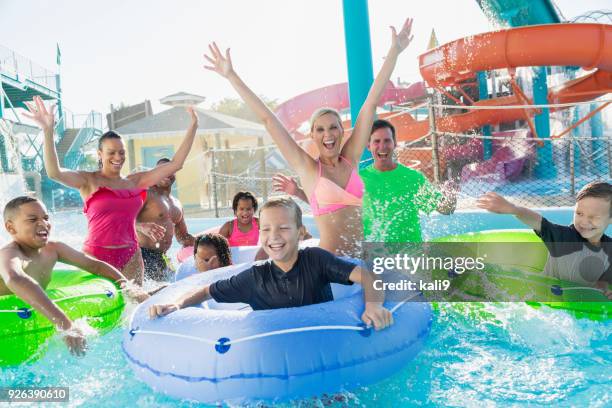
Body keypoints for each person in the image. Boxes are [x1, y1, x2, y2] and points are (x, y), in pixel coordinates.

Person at [203, 18, 414, 256]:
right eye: (320, 130)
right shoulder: (309, 169)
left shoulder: (350, 159)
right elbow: (269, 121)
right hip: (331, 267)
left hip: (363, 260)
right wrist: (231, 76)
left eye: (333, 127)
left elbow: (371, 102)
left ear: (341, 131)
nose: (328, 135)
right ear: (312, 135)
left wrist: (394, 52)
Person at [24, 96, 199, 284]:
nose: (118, 157)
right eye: (111, 152)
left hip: (131, 256)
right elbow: (54, 172)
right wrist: (48, 130)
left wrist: (194, 126)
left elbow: (176, 164)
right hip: (96, 256)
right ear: (100, 154)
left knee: (133, 307)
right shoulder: (88, 180)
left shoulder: (136, 182)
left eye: (122, 152)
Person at [149, 197, 393, 330]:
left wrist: (373, 306)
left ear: (300, 232)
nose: (274, 236)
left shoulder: (316, 260)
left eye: (283, 228)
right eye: (266, 229)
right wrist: (177, 304)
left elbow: (368, 277)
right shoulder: (255, 278)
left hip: (321, 344)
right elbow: (207, 291)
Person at [0, 196, 148, 356]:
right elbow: (15, 279)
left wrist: (128, 286)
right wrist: (64, 324)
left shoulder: (54, 249)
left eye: (46, 218)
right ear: (11, 228)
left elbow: (94, 265)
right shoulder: (10, 254)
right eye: (32, 219)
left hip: (30, 323)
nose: (43, 223)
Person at [274, 119, 457, 242]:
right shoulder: (358, 179)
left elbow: (445, 209)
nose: (382, 146)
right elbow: (332, 205)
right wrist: (298, 191)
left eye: (387, 140)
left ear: (394, 143)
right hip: (374, 258)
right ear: (368, 146)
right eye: (376, 141)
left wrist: (450, 198)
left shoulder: (413, 178)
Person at [477, 181, 612, 298]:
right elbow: (538, 222)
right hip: (546, 300)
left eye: (593, 217)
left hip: (580, 307)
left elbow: (604, 278)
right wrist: (514, 209)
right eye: (579, 213)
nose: (584, 222)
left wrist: (603, 288)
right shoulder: (565, 238)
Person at [136, 158, 196, 281]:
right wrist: (142, 227)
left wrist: (205, 241)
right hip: (142, 254)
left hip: (162, 257)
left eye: (170, 169)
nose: (166, 173)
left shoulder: (177, 204)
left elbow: (183, 237)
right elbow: (122, 220)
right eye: (162, 170)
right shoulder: (146, 194)